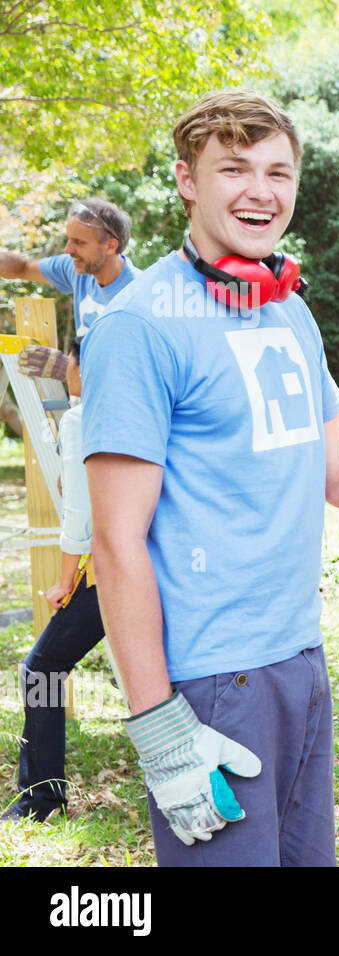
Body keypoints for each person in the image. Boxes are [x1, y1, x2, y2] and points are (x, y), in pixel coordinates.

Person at [80, 90, 339, 866]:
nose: (262, 191)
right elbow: (118, 542)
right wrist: (157, 724)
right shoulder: (140, 326)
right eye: (235, 168)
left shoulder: (289, 312)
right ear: (187, 179)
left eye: (278, 172)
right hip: (212, 684)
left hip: (300, 661)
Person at [1, 337, 105, 822]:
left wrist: (65, 582)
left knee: (40, 669)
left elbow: (79, 520)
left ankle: (41, 799)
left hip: (110, 574)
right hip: (168, 564)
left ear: (82, 367)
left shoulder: (83, 419)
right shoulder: (148, 410)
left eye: (72, 361)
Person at [0, 199, 138, 381]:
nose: (68, 250)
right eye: (69, 240)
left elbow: (128, 378)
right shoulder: (77, 268)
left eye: (79, 243)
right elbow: (23, 268)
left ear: (110, 246)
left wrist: (67, 369)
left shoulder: (136, 296)